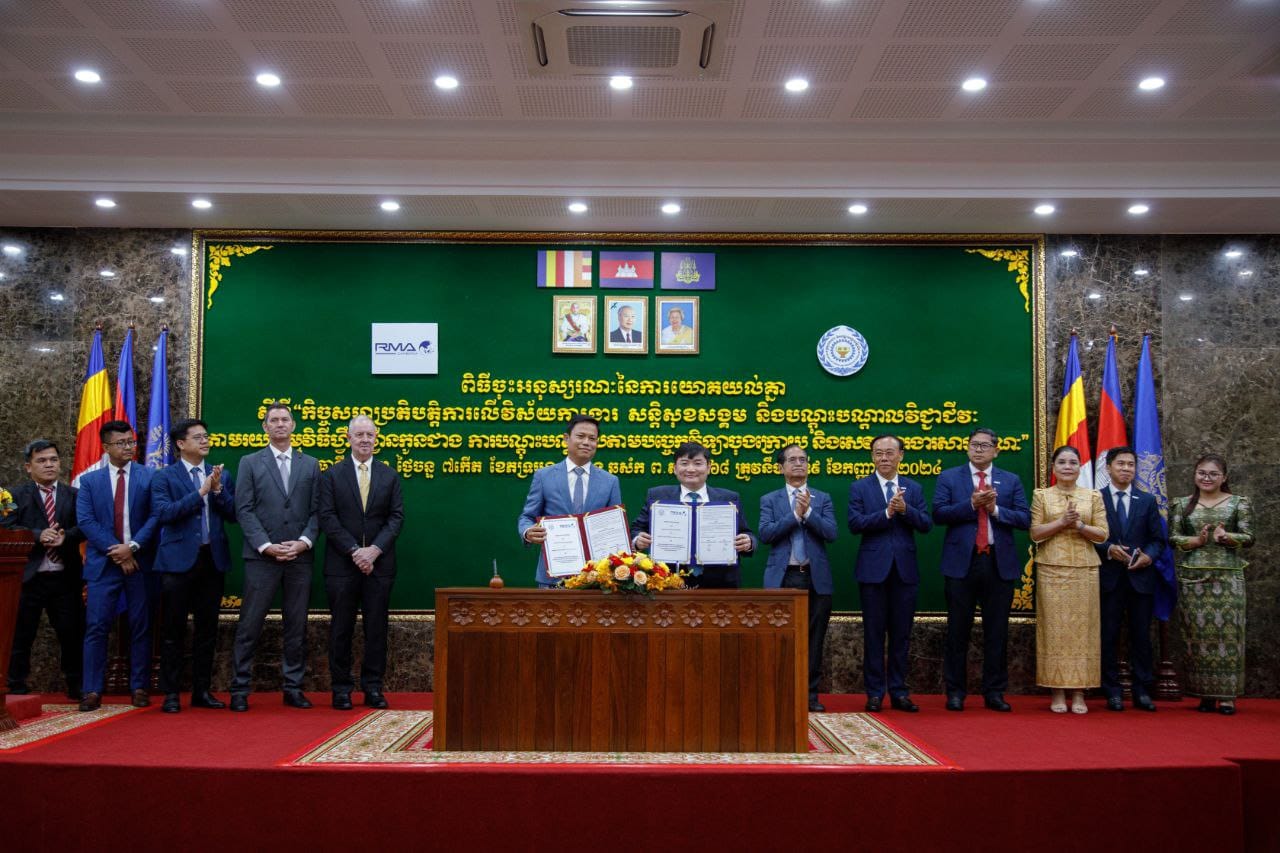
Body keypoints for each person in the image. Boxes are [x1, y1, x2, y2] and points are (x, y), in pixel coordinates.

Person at [230, 402, 320, 711]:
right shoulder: (249, 462)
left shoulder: (311, 464)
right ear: (265, 427)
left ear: (293, 425)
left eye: (285, 419)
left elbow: (317, 511)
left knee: (296, 626)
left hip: (299, 558)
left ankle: (293, 687)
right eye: (274, 420)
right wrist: (265, 545)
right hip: (262, 559)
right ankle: (240, 689)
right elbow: (244, 509)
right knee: (249, 625)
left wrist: (304, 543)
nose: (280, 424)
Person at [933, 427, 1030, 712]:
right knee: (957, 630)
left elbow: (1024, 518)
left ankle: (995, 692)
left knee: (997, 631)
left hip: (998, 563)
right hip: (962, 564)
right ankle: (955, 692)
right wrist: (971, 504)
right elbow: (938, 514)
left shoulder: (1010, 480)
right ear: (967, 448)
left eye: (984, 445)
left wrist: (996, 510)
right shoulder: (949, 477)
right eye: (974, 445)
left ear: (996, 451)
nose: (978, 450)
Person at [150, 418, 237, 714]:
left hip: (212, 560)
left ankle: (202, 691)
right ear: (180, 443)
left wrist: (217, 490)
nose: (205, 441)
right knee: (173, 630)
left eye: (206, 436)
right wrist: (200, 493)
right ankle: (171, 693)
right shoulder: (164, 477)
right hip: (177, 563)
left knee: (207, 630)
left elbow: (233, 514)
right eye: (198, 437)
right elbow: (164, 514)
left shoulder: (221, 474)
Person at [318, 415, 404, 710]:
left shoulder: (389, 475)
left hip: (379, 566)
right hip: (342, 566)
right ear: (349, 438)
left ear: (376, 438)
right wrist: (356, 551)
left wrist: (374, 551)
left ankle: (373, 688)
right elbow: (327, 517)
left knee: (376, 629)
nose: (365, 440)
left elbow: (396, 518)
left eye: (370, 435)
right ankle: (341, 689)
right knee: (341, 628)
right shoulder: (331, 475)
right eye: (360, 435)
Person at [75, 420, 157, 711]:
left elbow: (155, 517)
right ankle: (92, 690)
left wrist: (132, 547)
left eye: (131, 442)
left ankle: (139, 686)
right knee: (96, 627)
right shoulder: (89, 481)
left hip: (139, 563)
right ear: (106, 447)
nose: (128, 447)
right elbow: (86, 521)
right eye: (121, 443)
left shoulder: (149, 477)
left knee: (140, 625)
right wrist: (118, 552)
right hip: (103, 564)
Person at [847, 435, 933, 713]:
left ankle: (899, 692)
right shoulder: (860, 487)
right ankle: (874, 694)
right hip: (873, 572)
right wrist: (885, 513)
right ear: (872, 456)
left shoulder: (914, 488)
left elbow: (926, 524)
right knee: (873, 635)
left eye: (889, 453)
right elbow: (855, 523)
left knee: (901, 635)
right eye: (878, 453)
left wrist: (906, 510)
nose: (884, 458)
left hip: (904, 572)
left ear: (901, 456)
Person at [1169, 453, 1254, 715]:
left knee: (1229, 635)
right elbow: (1173, 538)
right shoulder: (1182, 504)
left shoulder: (1239, 503)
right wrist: (1195, 541)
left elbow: (1249, 537)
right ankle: (1204, 694)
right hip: (1193, 578)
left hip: (1228, 577)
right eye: (1202, 473)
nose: (1207, 478)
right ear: (1195, 474)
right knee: (1197, 636)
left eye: (1213, 474)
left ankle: (1227, 696)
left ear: (1224, 477)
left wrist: (1226, 537)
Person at [1, 439, 84, 699]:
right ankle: (15, 684)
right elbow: (7, 528)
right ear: (28, 466)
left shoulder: (75, 495)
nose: (49, 465)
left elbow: (85, 526)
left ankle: (76, 685)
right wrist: (38, 535)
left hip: (65, 577)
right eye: (41, 460)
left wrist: (66, 537)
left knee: (72, 633)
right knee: (21, 634)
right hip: (28, 578)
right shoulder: (12, 496)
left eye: (53, 460)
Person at [1029, 446, 1108, 714]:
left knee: (1083, 632)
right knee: (1054, 631)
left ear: (1079, 467)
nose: (1067, 466)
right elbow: (1035, 533)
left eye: (1073, 462)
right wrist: (1062, 522)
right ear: (1053, 467)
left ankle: (1079, 693)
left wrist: (1080, 526)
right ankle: (1057, 692)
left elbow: (1103, 535)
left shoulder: (1093, 496)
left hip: (1085, 570)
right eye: (1061, 462)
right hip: (1051, 569)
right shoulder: (1041, 496)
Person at [759, 444, 836, 712]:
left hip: (815, 578)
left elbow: (831, 533)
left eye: (803, 459)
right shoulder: (770, 499)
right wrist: (795, 516)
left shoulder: (822, 498)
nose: (799, 464)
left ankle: (810, 696)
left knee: (814, 639)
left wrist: (810, 513)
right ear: (781, 467)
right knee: (780, 639)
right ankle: (780, 694)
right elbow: (766, 534)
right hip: (783, 578)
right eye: (792, 460)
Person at [1095, 445, 1167, 712]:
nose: (1126, 469)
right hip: (1109, 578)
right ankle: (1112, 691)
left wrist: (1149, 556)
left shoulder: (1146, 500)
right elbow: (1089, 537)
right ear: (1108, 468)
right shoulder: (1096, 498)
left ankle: (1142, 690)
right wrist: (1108, 549)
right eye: (1120, 464)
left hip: (1141, 578)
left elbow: (1158, 540)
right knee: (1108, 635)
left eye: (1130, 465)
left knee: (1141, 636)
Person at [631, 441, 755, 588]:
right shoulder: (657, 495)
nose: (690, 469)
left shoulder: (728, 498)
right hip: (669, 580)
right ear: (675, 468)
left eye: (697, 463)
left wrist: (748, 542)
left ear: (709, 467)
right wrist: (638, 540)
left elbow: (746, 532)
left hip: (720, 582)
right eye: (684, 463)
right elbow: (636, 529)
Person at [518, 414, 622, 587]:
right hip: (552, 578)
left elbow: (615, 527)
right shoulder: (544, 476)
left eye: (592, 438)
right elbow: (527, 517)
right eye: (581, 436)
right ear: (566, 439)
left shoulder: (610, 481)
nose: (586, 442)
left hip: (596, 580)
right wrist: (528, 532)